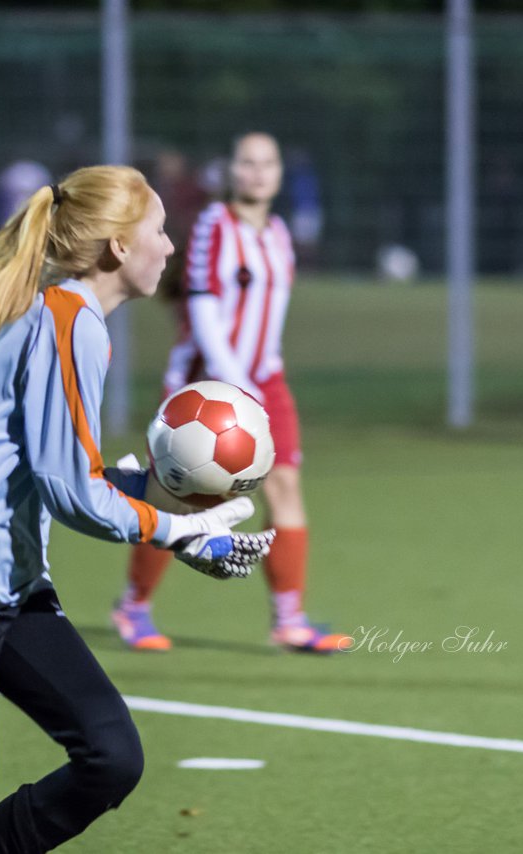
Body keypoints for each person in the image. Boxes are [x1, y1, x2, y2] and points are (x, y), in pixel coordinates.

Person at [0, 165, 273, 853]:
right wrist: (178, 529)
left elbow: (62, 470)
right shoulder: (70, 323)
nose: (168, 247)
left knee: (111, 755)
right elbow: (71, 492)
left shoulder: (69, 317)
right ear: (117, 247)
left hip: (7, 584)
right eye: (159, 231)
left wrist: (159, 510)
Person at [110, 132, 352, 654]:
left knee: (285, 486)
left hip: (266, 378)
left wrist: (262, 375)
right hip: (208, 381)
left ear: (280, 173)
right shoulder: (213, 226)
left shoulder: (280, 233)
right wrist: (235, 380)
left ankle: (289, 619)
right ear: (233, 171)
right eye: (248, 162)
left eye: (268, 163)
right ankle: (134, 607)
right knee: (180, 497)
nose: (258, 172)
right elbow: (202, 308)